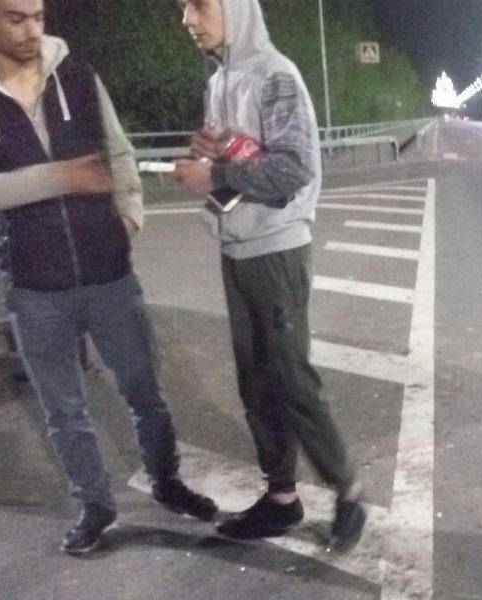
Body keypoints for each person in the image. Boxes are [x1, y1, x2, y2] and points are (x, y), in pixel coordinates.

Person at [0, 0, 218, 555]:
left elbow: (119, 152)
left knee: (145, 391)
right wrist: (63, 177)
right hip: (34, 283)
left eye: (38, 16)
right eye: (15, 18)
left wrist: (130, 215)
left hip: (108, 272)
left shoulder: (78, 76)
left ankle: (167, 481)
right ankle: (95, 507)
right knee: (64, 411)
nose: (32, 29)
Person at [173, 0, 366, 552]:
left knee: (290, 378)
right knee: (256, 381)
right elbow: (237, 156)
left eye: (198, 4)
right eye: (182, 7)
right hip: (236, 245)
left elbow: (293, 166)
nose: (187, 19)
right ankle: (281, 499)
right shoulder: (219, 81)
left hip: (276, 248)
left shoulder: (274, 75)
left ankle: (348, 491)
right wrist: (208, 153)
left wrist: (215, 172)